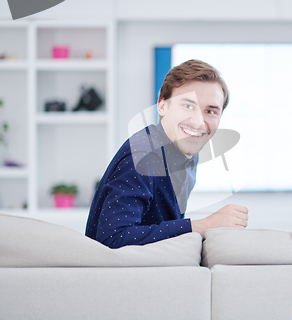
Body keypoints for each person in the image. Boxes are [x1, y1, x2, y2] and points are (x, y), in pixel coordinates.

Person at [86, 60, 248, 248]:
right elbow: (112, 239)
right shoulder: (143, 158)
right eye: (188, 106)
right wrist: (201, 226)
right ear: (162, 105)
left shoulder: (183, 149)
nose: (198, 122)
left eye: (210, 111)